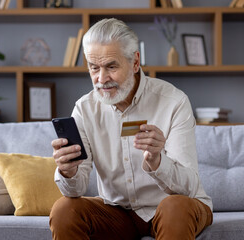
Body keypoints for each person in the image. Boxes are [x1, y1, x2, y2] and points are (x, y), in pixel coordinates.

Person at [50, 18, 213, 240]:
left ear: (135, 62)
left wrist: (157, 161)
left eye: (111, 66)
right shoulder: (84, 109)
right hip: (118, 212)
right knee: (63, 211)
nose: (101, 79)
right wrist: (68, 172)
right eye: (94, 67)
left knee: (175, 207)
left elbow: (188, 187)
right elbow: (75, 190)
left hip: (174, 207)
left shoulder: (173, 101)